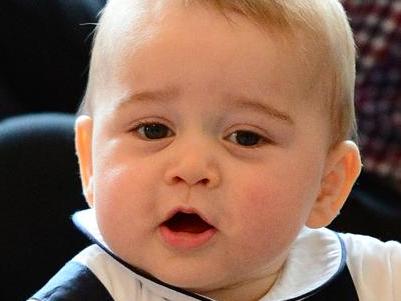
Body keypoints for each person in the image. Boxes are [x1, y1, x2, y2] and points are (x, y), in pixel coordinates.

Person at [29, 0, 401, 300]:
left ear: (327, 184)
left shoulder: (376, 277)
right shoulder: (92, 291)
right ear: (91, 162)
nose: (191, 168)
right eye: (153, 130)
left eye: (245, 137)